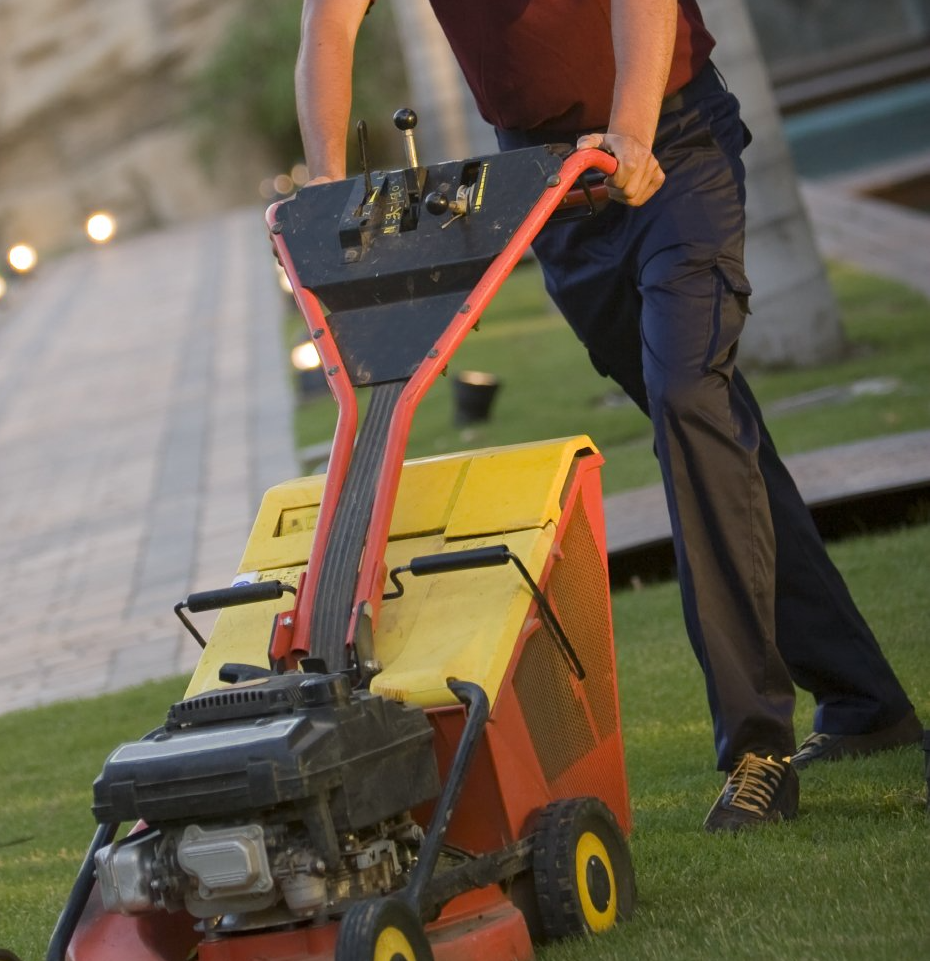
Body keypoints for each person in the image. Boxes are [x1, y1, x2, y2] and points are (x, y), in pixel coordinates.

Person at [293, 0, 923, 832]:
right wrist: (330, 200)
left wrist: (630, 132)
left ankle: (756, 749)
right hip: (551, 182)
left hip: (673, 143)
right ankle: (864, 701)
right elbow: (328, 32)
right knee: (702, 432)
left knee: (690, 402)